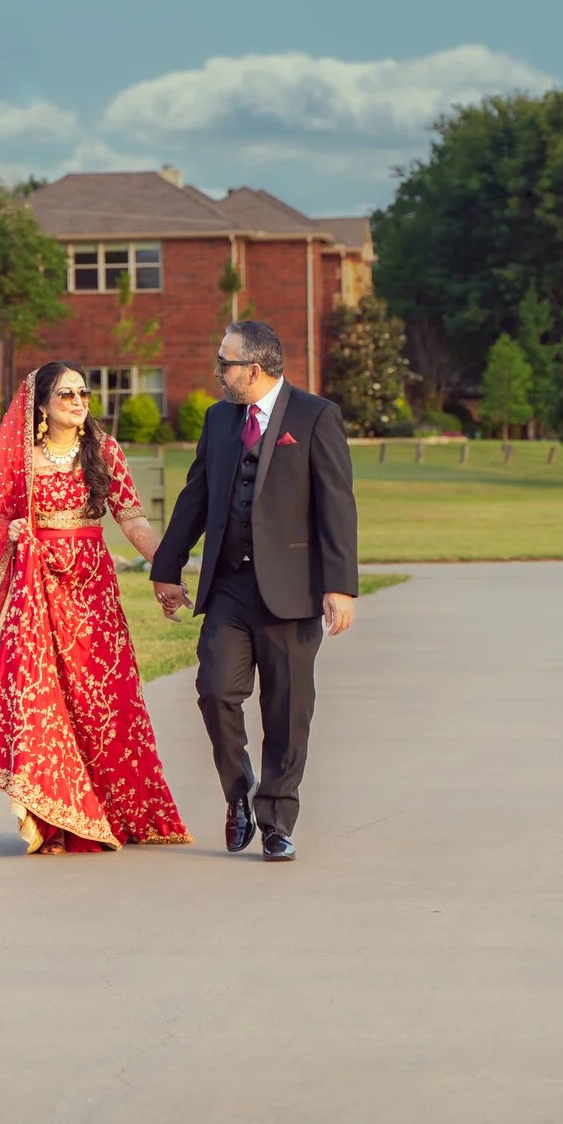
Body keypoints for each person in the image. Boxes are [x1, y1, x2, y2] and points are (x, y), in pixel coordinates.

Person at [0, 363, 193, 854]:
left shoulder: (104, 451)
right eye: (66, 393)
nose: (78, 400)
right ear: (41, 405)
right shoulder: (23, 459)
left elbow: (132, 521)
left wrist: (165, 571)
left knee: (101, 700)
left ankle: (115, 810)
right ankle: (54, 821)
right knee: (42, 702)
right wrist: (15, 535)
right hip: (38, 590)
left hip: (91, 592)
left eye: (83, 392)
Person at [152, 321, 358, 861]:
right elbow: (195, 497)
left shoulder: (315, 416)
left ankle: (277, 819)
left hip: (292, 592)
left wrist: (339, 585)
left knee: (287, 711)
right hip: (228, 588)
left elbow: (337, 505)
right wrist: (167, 568)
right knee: (216, 691)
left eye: (226, 363)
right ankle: (238, 794)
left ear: (255, 369)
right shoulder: (220, 419)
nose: (218, 372)